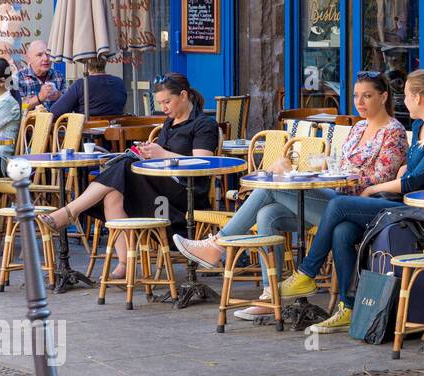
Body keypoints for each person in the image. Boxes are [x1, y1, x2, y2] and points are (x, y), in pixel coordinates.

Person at [172, 71, 408, 317]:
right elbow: (338, 165)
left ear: (383, 97)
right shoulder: (358, 128)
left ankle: (218, 245)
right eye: (357, 96)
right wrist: (318, 170)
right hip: (333, 197)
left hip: (358, 206)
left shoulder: (394, 131)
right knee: (267, 214)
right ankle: (270, 295)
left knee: (268, 187)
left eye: (367, 96)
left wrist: (336, 176)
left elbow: (381, 178)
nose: (360, 102)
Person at [278, 70, 424, 335]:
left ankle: (307, 271)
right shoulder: (418, 127)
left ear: (419, 98)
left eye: (407, 96)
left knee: (339, 205)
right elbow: (410, 172)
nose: (404, 102)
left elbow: (414, 181)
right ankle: (349, 306)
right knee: (342, 231)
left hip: (420, 213)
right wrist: (404, 173)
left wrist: (373, 189)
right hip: (397, 203)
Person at [38, 73, 217, 277]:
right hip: (161, 189)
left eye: (167, 101)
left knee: (123, 166)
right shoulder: (170, 123)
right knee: (115, 193)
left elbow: (205, 164)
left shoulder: (204, 124)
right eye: (160, 103)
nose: (164, 108)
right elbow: (160, 161)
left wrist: (163, 154)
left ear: (184, 96)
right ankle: (124, 263)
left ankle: (70, 212)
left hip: (185, 194)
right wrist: (148, 153)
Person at [48, 56, 127, 118]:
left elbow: (55, 112)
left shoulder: (81, 84)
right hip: (115, 135)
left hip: (87, 136)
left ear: (85, 64)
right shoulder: (119, 83)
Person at [16, 40, 66, 110]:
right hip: (31, 121)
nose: (46, 59)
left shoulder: (58, 76)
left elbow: (70, 104)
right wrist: (39, 98)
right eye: (39, 55)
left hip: (56, 120)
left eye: (48, 54)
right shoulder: (18, 78)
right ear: (29, 58)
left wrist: (59, 96)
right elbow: (17, 109)